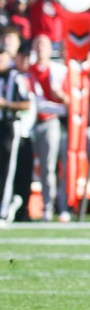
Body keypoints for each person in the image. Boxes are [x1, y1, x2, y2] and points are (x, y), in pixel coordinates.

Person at [29, 34, 71, 222]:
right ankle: (44, 207)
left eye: (44, 45)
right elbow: (35, 103)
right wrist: (61, 106)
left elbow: (70, 99)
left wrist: (62, 100)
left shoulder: (59, 71)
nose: (40, 49)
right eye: (37, 45)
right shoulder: (30, 71)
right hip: (33, 123)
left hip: (52, 123)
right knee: (40, 168)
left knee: (56, 167)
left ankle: (57, 207)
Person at [0, 43, 31, 223]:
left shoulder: (15, 77)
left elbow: (27, 104)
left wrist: (6, 104)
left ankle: (4, 211)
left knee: (7, 170)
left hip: (9, 126)